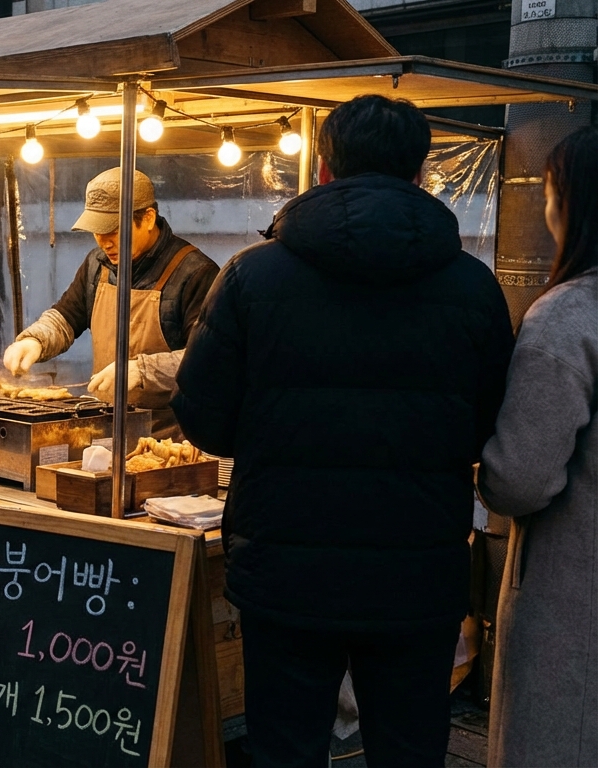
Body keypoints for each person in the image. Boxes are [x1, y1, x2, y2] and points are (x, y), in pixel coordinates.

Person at [172, 94, 515, 767]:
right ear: (420, 174)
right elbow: (488, 426)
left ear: (324, 169)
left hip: (285, 569)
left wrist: (275, 432)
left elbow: (203, 416)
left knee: (285, 751)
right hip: (417, 572)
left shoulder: (252, 275)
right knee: (410, 752)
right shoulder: (473, 288)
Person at [479, 126, 598, 767]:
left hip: (574, 593)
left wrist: (482, 463)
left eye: (550, 192)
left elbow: (519, 478)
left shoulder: (567, 318)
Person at [3, 168, 217, 438]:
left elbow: (208, 359)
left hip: (170, 438)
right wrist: (36, 340)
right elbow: (67, 316)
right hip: (106, 431)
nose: (104, 241)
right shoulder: (97, 264)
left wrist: (141, 370)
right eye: (96, 230)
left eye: (113, 230)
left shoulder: (195, 273)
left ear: (148, 218)